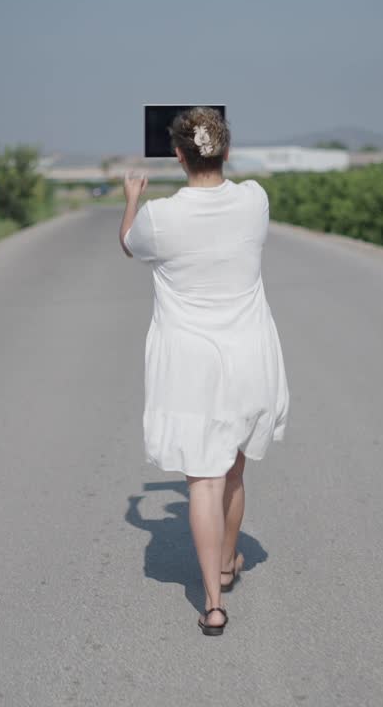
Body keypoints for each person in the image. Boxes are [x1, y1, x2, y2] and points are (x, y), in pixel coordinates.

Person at [118, 107, 290, 636]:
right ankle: (226, 562)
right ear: (226, 151)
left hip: (190, 364)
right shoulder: (255, 200)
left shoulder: (160, 217)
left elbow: (129, 245)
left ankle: (213, 603)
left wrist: (131, 200)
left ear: (178, 155)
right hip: (249, 356)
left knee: (203, 482)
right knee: (235, 470)